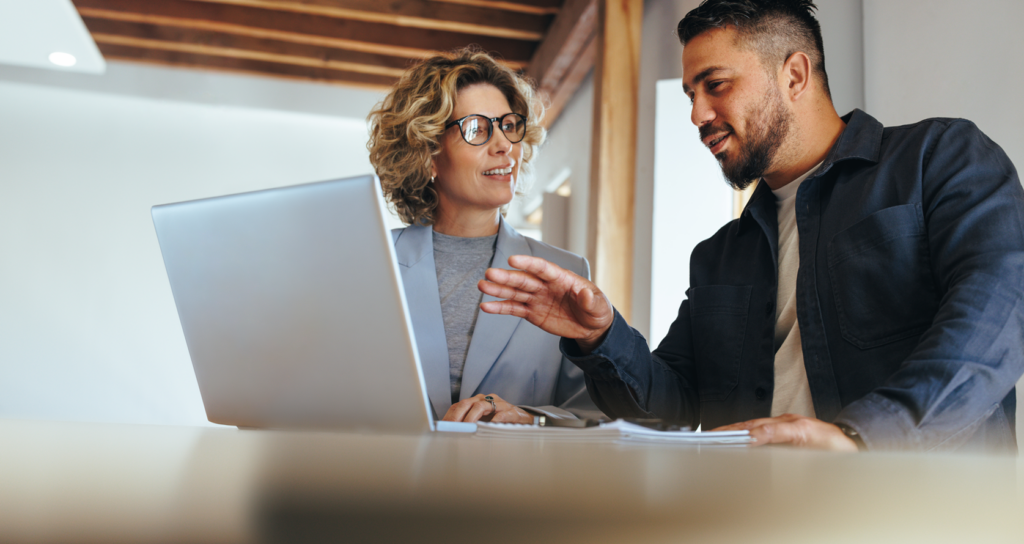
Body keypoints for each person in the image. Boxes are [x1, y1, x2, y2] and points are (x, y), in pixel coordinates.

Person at [477, 0, 1024, 452]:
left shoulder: (938, 158)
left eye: (715, 85)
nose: (696, 114)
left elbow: (1000, 309)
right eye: (691, 94)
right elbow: (672, 407)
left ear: (794, 75)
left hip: (920, 514)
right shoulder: (719, 254)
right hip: (756, 515)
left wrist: (861, 439)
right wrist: (599, 336)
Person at [367, 48, 600, 424]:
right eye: (477, 129)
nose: (504, 145)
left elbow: (595, 412)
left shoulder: (564, 271)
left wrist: (530, 418)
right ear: (428, 153)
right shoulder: (370, 263)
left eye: (508, 125)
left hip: (511, 482)